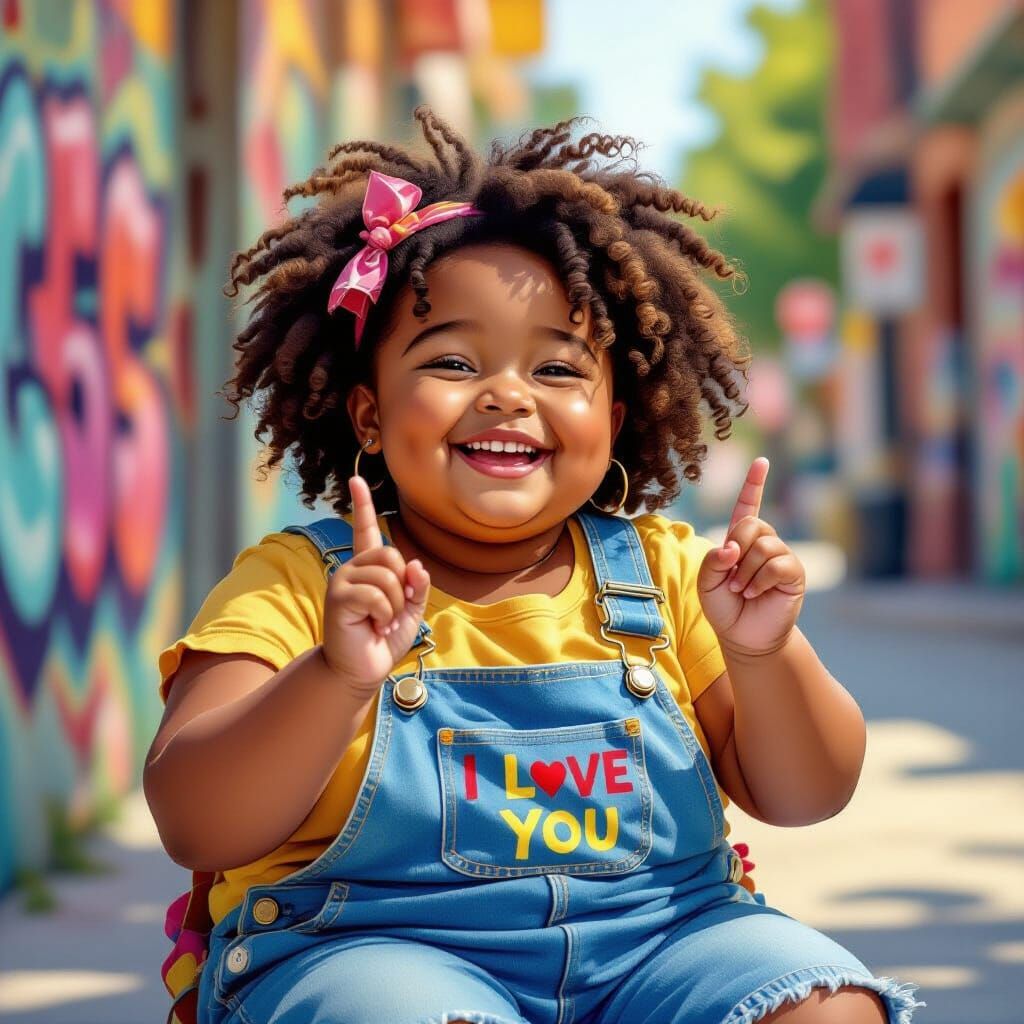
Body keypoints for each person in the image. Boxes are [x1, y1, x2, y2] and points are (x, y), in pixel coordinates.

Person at [144, 107, 925, 1024]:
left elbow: (809, 794)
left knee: (826, 1006)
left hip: (663, 943)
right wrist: (331, 677)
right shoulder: (300, 584)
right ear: (367, 416)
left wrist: (762, 657)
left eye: (557, 371)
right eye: (452, 361)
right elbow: (196, 819)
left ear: (617, 417)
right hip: (370, 949)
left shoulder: (670, 574)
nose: (507, 395)